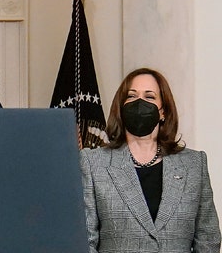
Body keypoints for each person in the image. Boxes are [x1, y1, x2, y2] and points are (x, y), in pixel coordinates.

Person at [80, 67, 220, 252]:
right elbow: (84, 241)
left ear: (163, 111)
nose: (140, 102)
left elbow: (208, 239)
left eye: (150, 97)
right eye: (131, 96)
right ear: (121, 107)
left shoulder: (194, 164)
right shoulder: (93, 163)